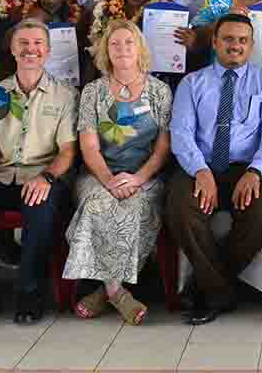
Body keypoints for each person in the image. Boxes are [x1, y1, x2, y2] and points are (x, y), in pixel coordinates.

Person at [0, 18, 79, 326]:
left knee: (40, 204)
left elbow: (67, 151)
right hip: (2, 173)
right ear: (12, 49)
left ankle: (30, 295)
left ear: (47, 51)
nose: (30, 50)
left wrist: (46, 177)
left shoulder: (65, 96)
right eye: (23, 43)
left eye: (37, 44)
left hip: (44, 174)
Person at [166, 14, 262, 325]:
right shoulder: (192, 83)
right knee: (181, 210)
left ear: (251, 46)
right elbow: (180, 133)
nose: (236, 45)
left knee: (261, 216)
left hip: (248, 168)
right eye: (229, 39)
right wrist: (200, 171)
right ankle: (220, 292)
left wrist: (255, 172)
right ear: (215, 43)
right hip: (201, 165)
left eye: (242, 40)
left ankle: (205, 287)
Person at [64, 20, 172, 325]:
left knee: (134, 205)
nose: (122, 49)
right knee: (99, 204)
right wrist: (109, 180)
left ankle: (104, 291)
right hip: (100, 174)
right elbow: (89, 147)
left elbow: (162, 149)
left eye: (128, 43)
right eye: (115, 44)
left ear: (140, 49)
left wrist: (137, 178)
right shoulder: (93, 92)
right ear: (105, 51)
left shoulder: (159, 91)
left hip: (145, 175)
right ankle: (117, 292)